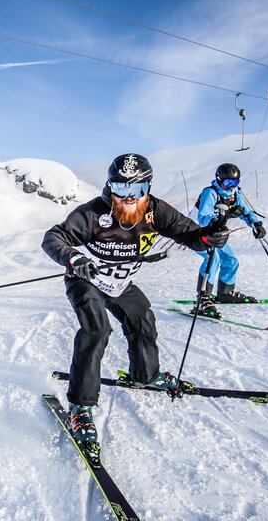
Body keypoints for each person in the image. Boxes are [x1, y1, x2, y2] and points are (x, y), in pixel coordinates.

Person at [41, 153, 229, 448]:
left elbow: (190, 234)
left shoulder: (156, 212)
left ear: (148, 188)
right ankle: (80, 406)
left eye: (137, 190)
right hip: (86, 280)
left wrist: (209, 238)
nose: (129, 198)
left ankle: (145, 374)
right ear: (110, 186)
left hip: (121, 284)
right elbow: (53, 238)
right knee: (97, 330)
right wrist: (74, 258)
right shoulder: (93, 213)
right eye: (122, 189)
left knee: (142, 319)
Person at [192, 163, 266, 319]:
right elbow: (203, 219)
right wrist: (226, 215)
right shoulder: (210, 193)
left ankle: (225, 293)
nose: (230, 186)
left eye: (235, 183)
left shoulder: (234, 194)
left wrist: (256, 224)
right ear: (219, 180)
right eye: (227, 183)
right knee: (213, 259)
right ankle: (203, 298)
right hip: (195, 232)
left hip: (215, 234)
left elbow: (247, 211)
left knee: (230, 260)